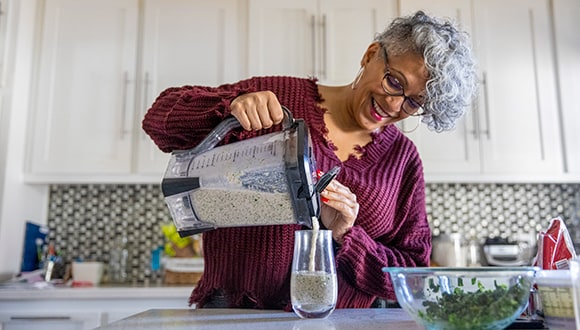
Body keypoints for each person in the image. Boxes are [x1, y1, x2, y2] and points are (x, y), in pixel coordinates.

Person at [142, 11, 477, 309]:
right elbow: (159, 121)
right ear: (371, 54)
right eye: (394, 82)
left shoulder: (401, 159)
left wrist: (348, 235)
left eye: (413, 103)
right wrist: (228, 105)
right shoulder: (277, 97)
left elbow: (412, 275)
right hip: (235, 315)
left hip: (342, 323)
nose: (393, 105)